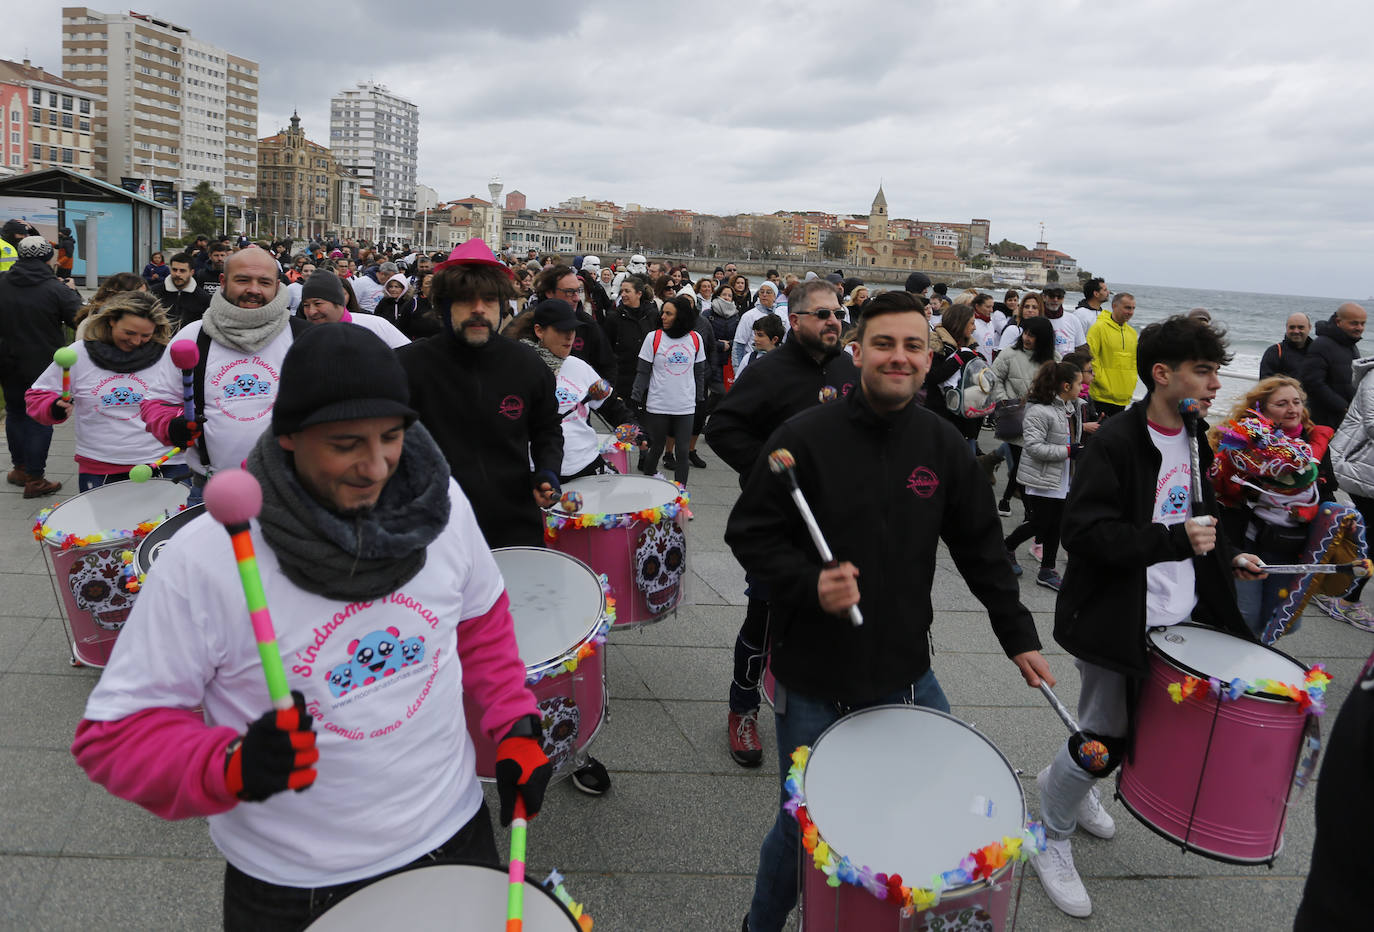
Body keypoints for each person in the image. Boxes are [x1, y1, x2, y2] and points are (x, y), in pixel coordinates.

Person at [72, 323, 552, 931]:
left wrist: (513, 722)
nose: (375, 466)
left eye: (392, 437)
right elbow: (113, 738)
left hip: (453, 837)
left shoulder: (443, 506)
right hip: (295, 883)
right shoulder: (209, 558)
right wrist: (232, 765)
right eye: (347, 443)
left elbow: (481, 622)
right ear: (291, 436)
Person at [727, 294, 1053, 932]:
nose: (898, 357)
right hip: (815, 674)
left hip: (906, 668)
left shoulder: (943, 446)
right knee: (805, 827)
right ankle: (760, 924)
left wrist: (1018, 636)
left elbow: (983, 550)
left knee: (939, 798)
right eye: (883, 344)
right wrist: (808, 581)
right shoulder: (802, 437)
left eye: (912, 345)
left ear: (929, 359)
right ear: (858, 352)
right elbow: (749, 533)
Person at [1031, 314, 1262, 919]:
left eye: (1216, 371)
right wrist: (1173, 541)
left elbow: (1201, 516)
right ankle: (1049, 832)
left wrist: (1233, 554)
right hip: (1116, 615)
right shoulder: (1113, 442)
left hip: (1177, 616)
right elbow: (1085, 533)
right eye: (1203, 371)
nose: (1216, 383)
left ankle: (1071, 792)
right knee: (1105, 735)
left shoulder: (1194, 433)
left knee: (1120, 728)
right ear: (1162, 374)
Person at [706, 280, 861, 770]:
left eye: (837, 313)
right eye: (821, 315)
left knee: (835, 618)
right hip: (782, 524)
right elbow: (721, 427)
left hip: (837, 522)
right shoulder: (769, 372)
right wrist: (772, 469)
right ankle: (742, 709)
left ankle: (831, 704)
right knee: (763, 619)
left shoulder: (846, 368)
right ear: (795, 321)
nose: (833, 321)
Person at [395, 240, 564, 547]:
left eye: (488, 299)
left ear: (502, 306)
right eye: (464, 300)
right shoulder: (405, 367)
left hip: (514, 528)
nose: (478, 309)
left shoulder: (527, 365)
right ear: (444, 306)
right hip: (433, 533)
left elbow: (547, 429)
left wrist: (547, 471)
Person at [139, 247, 299, 507]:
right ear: (223, 282)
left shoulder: (303, 337)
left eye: (264, 282)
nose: (254, 289)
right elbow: (156, 402)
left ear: (277, 286)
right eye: (243, 280)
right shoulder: (193, 336)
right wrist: (172, 425)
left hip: (290, 489)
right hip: (209, 490)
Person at [1209, 377, 1341, 636]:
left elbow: (1328, 491)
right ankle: (1231, 671)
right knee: (1245, 618)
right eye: (1282, 404)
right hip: (1248, 544)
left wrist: (1322, 520)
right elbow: (1222, 500)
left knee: (1284, 620)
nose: (1293, 409)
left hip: (1290, 549)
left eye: (1297, 402)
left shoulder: (1313, 445)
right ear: (1263, 409)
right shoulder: (1244, 447)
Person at [26, 291, 189, 490]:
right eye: (129, 333)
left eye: (145, 335)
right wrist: (52, 407)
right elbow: (37, 397)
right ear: (111, 321)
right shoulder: (78, 354)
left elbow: (189, 399)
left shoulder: (169, 356)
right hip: (100, 465)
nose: (136, 341)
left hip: (165, 461)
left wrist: (182, 422)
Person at [0, 236, 84, 497]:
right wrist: (73, 291)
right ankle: (35, 479)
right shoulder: (56, 289)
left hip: (6, 361)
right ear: (49, 258)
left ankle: (20, 469)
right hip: (43, 365)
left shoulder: (2, 283)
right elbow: (81, 321)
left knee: (15, 413)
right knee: (39, 418)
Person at [1004, 360, 1084, 589]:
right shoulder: (1039, 410)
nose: (1083, 387)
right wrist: (1069, 451)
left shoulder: (1070, 407)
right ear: (1066, 386)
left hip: (1062, 476)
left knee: (1056, 524)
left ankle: (1047, 569)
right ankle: (1007, 546)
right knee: (1040, 523)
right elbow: (1034, 447)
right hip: (1041, 477)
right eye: (1079, 383)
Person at [632, 295, 706, 485]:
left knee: (682, 452)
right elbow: (643, 371)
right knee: (656, 447)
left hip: (685, 405)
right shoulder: (654, 337)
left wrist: (698, 399)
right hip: (658, 404)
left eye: (668, 313)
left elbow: (699, 372)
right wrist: (636, 397)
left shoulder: (695, 339)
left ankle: (681, 496)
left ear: (680, 317)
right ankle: (648, 489)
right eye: (663, 312)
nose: (662, 317)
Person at [1326, 355, 1374, 629]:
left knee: (1359, 530)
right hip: (1357, 465)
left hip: (1366, 468)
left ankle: (1327, 584)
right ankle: (1345, 600)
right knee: (1370, 534)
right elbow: (1372, 423)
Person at [992, 316, 1056, 517]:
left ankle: (1006, 500)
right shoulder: (1009, 353)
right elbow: (994, 378)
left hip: (1039, 419)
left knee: (1024, 464)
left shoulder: (1053, 358)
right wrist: (1004, 400)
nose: (1027, 338)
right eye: (1025, 333)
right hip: (1014, 416)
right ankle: (1029, 512)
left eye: (1033, 335)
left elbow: (1059, 386)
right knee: (1021, 463)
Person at [924, 303, 986, 451]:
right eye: (972, 323)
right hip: (942, 419)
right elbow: (933, 376)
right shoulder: (936, 345)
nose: (975, 327)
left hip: (967, 421)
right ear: (960, 323)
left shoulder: (969, 346)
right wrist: (959, 358)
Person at [299, 270, 408, 349]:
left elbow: (410, 359)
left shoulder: (375, 325)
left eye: (318, 303)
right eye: (306, 305)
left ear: (338, 302)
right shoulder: (303, 337)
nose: (311, 311)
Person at [1301, 302, 1366, 428]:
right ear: (1338, 322)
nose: (1359, 327)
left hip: (1345, 420)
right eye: (1354, 323)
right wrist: (1343, 407)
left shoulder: (1350, 345)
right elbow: (1312, 382)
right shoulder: (1321, 345)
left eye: (1362, 323)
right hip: (1324, 421)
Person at [603, 273, 661, 409]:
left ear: (639, 293)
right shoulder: (613, 318)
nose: (623, 294)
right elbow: (607, 349)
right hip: (623, 379)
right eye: (621, 291)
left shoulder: (652, 315)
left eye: (627, 291)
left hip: (648, 379)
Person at [1085, 291, 1138, 416]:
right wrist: (1101, 380)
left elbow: (1134, 362)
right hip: (1101, 395)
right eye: (1127, 307)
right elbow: (1091, 357)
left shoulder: (1132, 333)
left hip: (1123, 396)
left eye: (1133, 308)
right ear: (1114, 306)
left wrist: (1132, 381)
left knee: (1117, 435)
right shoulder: (1099, 328)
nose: (1130, 312)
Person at [732, 282, 787, 370]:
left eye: (768, 292)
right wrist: (737, 369)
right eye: (761, 292)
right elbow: (738, 345)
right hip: (753, 363)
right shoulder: (748, 316)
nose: (764, 295)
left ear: (775, 296)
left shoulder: (781, 315)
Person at [153, 252, 212, 331]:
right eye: (174, 270)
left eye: (182, 271)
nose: (177, 274)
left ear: (191, 272)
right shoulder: (155, 292)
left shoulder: (203, 297)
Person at [1259, 312, 1313, 380]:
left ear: (1309, 327)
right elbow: (1265, 384)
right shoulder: (1275, 352)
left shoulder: (1317, 352)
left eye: (1301, 327)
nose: (1296, 331)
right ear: (1286, 328)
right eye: (1292, 327)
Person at [1042, 286, 1089, 358]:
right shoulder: (1038, 319)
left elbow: (1081, 347)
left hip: (1067, 367)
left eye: (1059, 297)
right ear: (1044, 297)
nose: (1055, 299)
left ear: (1063, 299)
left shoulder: (1073, 319)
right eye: (1051, 296)